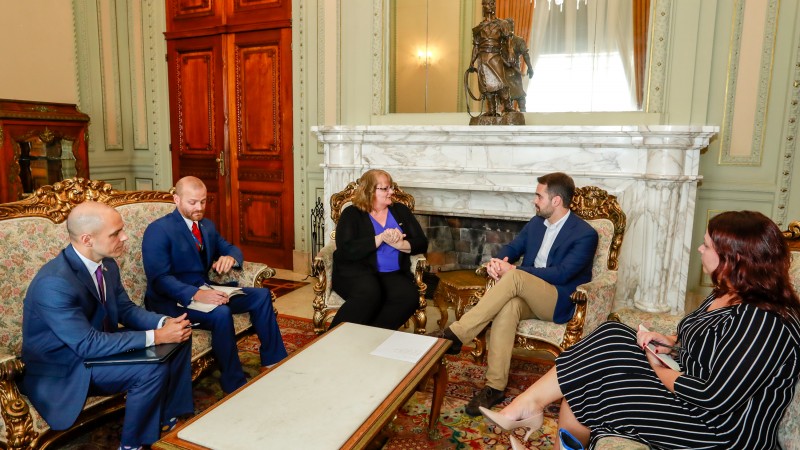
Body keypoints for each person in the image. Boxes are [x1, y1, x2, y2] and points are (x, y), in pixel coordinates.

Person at [484, 210, 800, 450]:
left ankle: (526, 409)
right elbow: (712, 347)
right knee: (614, 333)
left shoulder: (765, 321)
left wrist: (656, 366)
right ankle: (528, 406)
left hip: (722, 429)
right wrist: (670, 344)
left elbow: (715, 396)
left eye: (707, 245)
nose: (700, 250)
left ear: (735, 259)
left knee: (588, 389)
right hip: (692, 393)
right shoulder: (727, 291)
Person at [21, 202, 194, 450]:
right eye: (115, 233)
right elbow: (87, 345)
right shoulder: (54, 283)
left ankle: (167, 419)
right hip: (66, 365)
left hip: (96, 344)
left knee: (179, 337)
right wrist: (156, 336)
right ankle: (132, 445)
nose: (124, 237)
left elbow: (125, 309)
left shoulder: (107, 264)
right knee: (150, 369)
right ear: (87, 239)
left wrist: (164, 322)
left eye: (121, 230)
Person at [430, 172, 598, 416]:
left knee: (516, 277)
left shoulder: (584, 233)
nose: (534, 200)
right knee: (509, 306)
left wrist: (514, 270)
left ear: (556, 201)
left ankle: (456, 334)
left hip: (559, 299)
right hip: (529, 294)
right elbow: (513, 247)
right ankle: (494, 387)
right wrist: (499, 262)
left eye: (539, 196)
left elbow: (562, 274)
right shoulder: (536, 223)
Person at [142, 176, 287, 394]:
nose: (199, 207)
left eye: (203, 201)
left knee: (261, 296)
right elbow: (159, 279)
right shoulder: (158, 230)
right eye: (192, 202)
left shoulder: (207, 226)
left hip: (205, 290)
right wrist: (196, 294)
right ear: (176, 199)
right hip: (172, 301)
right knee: (221, 313)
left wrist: (230, 258)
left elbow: (231, 248)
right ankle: (234, 382)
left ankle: (274, 361)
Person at [329, 169, 429, 330]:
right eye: (385, 188)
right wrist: (381, 238)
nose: (391, 192)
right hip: (356, 272)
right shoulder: (352, 214)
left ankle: (372, 337)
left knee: (409, 297)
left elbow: (421, 243)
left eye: (391, 188)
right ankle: (331, 340)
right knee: (370, 294)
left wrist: (398, 244)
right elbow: (346, 249)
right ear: (369, 191)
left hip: (392, 273)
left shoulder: (400, 211)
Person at [469, 0, 514, 116]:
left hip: (495, 57)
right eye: (485, 4)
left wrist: (510, 52)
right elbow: (476, 46)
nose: (488, 6)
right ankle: (492, 110)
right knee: (485, 85)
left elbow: (508, 39)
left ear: (494, 5)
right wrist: (471, 62)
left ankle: (508, 106)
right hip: (482, 58)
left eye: (490, 3)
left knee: (500, 82)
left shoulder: (502, 24)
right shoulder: (478, 28)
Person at [505, 20, 534, 112]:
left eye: (511, 26)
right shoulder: (500, 42)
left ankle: (523, 114)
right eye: (508, 26)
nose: (510, 28)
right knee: (506, 97)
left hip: (515, 72)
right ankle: (507, 117)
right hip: (503, 71)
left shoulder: (518, 40)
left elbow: (525, 54)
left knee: (520, 95)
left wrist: (530, 67)